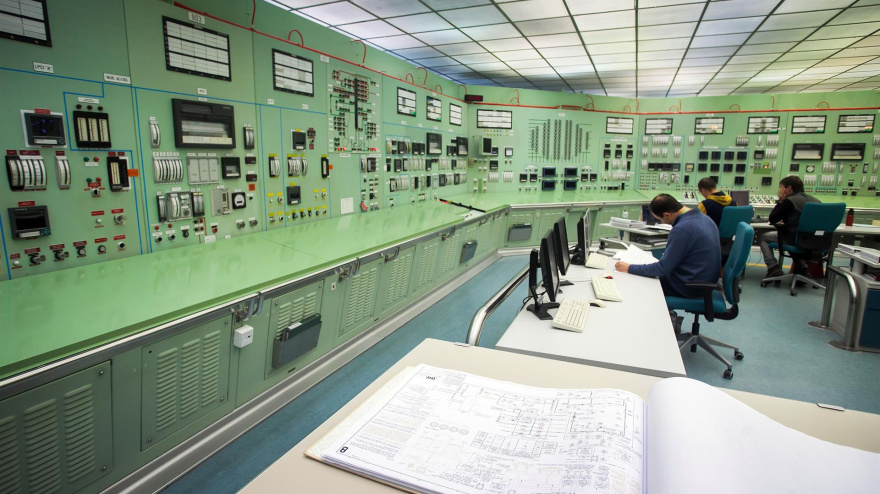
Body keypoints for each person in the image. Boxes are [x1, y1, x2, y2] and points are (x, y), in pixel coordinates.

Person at [615, 194, 721, 299]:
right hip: (701, 280)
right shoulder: (705, 219)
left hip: (688, 287)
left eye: (660, 219)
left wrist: (629, 268)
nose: (662, 222)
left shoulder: (682, 229)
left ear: (667, 214)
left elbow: (662, 268)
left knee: (637, 282)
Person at [760, 176, 820, 280]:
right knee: (794, 235)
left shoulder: (790, 201)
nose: (780, 189)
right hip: (815, 241)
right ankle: (802, 268)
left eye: (781, 187)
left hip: (794, 239)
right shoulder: (816, 201)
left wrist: (780, 200)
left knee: (763, 237)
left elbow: (773, 218)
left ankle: (773, 268)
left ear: (788, 188)